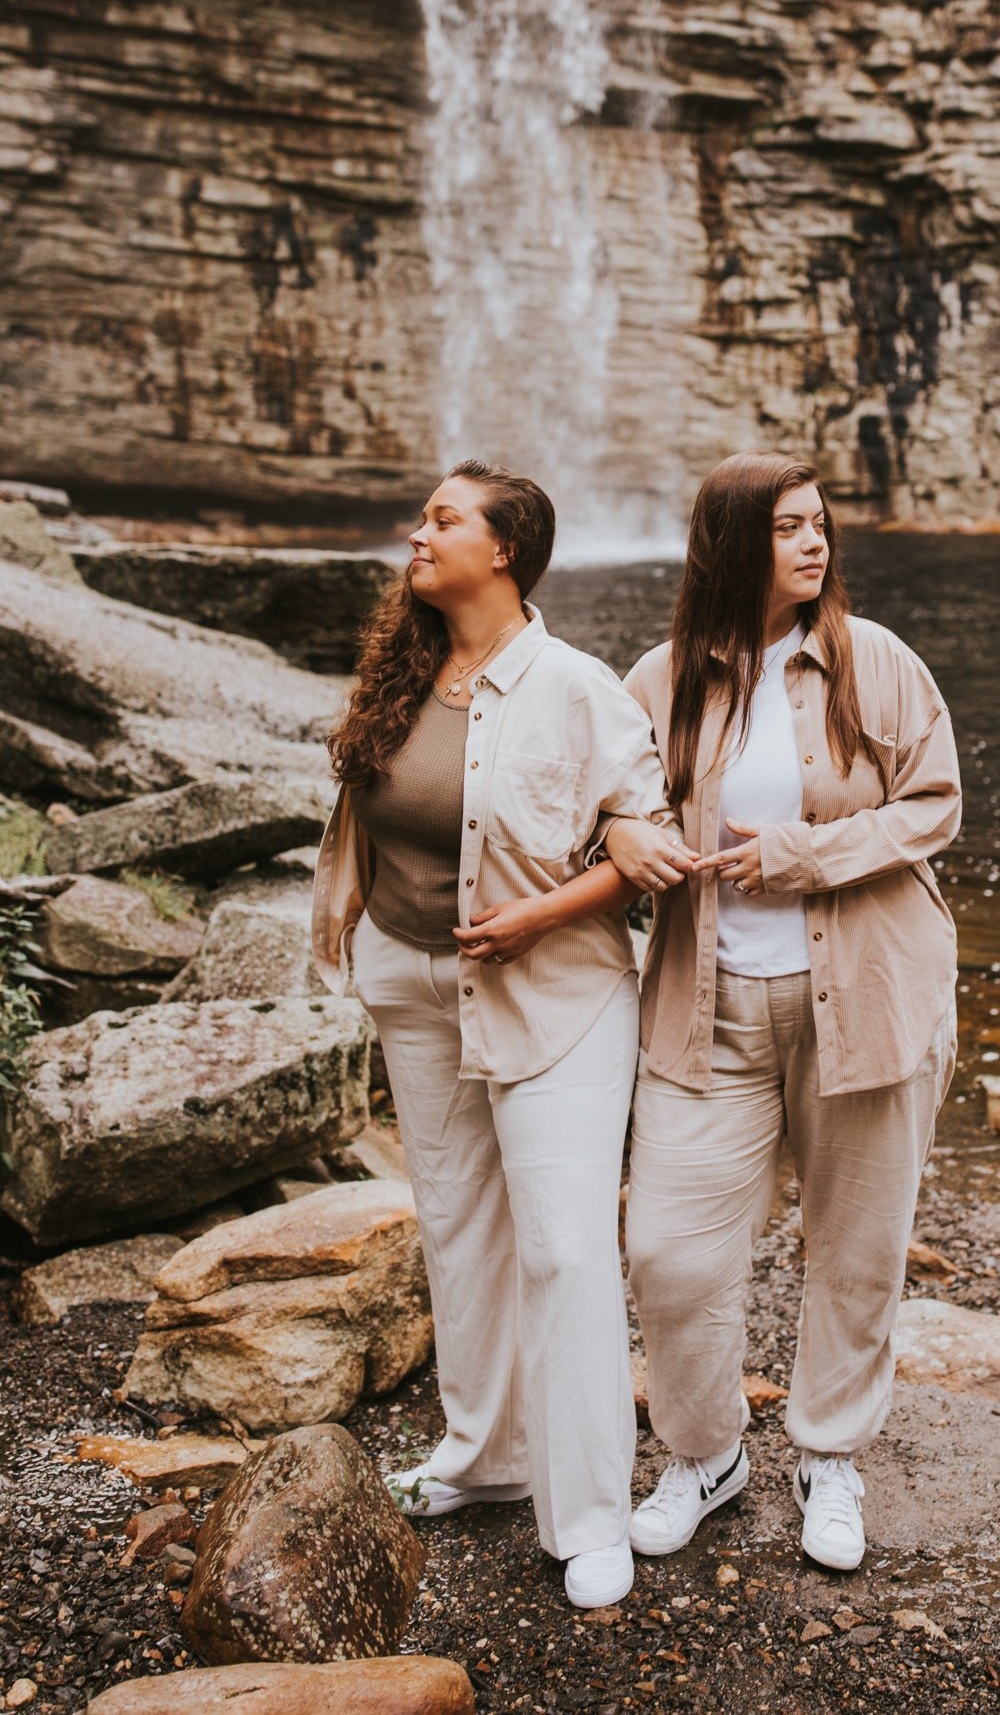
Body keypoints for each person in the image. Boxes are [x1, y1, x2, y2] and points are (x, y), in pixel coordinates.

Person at [311, 460, 685, 1610]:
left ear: (506, 550)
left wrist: (537, 913)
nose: (414, 535)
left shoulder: (578, 688)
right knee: (457, 1228)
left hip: (557, 997)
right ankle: (484, 1460)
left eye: (441, 520)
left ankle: (593, 1516)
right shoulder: (406, 670)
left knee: (565, 1247)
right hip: (412, 986)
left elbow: (647, 848)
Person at [606, 451, 961, 1572]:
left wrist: (804, 855)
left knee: (856, 1251)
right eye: (789, 529)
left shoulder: (876, 663)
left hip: (866, 994)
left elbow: (934, 807)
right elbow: (607, 812)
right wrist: (623, 836)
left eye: (821, 526)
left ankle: (830, 1457)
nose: (815, 546)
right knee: (668, 1251)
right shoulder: (659, 680)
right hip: (704, 1005)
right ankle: (704, 1456)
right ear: (731, 543)